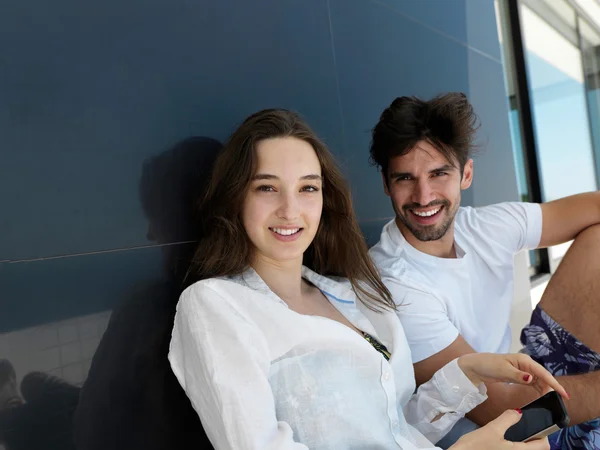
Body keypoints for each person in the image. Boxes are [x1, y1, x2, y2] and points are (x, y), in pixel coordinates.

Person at [168, 108, 566, 450]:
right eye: (267, 187)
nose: (291, 210)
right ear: (237, 196)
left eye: (308, 188)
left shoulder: (354, 296)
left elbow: (396, 428)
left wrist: (468, 372)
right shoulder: (215, 305)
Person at [368, 93, 600, 449]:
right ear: (386, 185)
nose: (423, 195)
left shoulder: (483, 227)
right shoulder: (393, 283)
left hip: (528, 371)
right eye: (405, 178)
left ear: (466, 174)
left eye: (438, 173)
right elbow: (502, 409)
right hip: (495, 430)